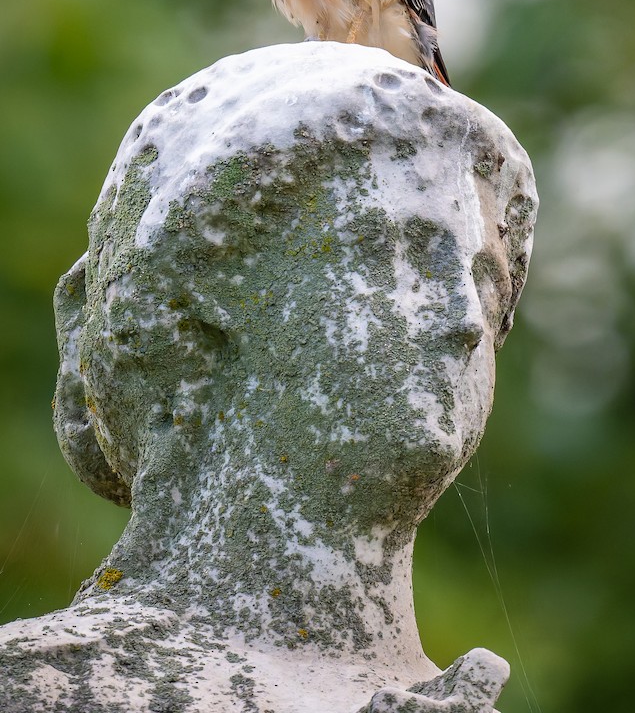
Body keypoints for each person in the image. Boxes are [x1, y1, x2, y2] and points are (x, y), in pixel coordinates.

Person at [0, 42, 537, 713]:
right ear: (211, 287)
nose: (463, 320)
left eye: (486, 282)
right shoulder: (48, 689)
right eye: (394, 254)